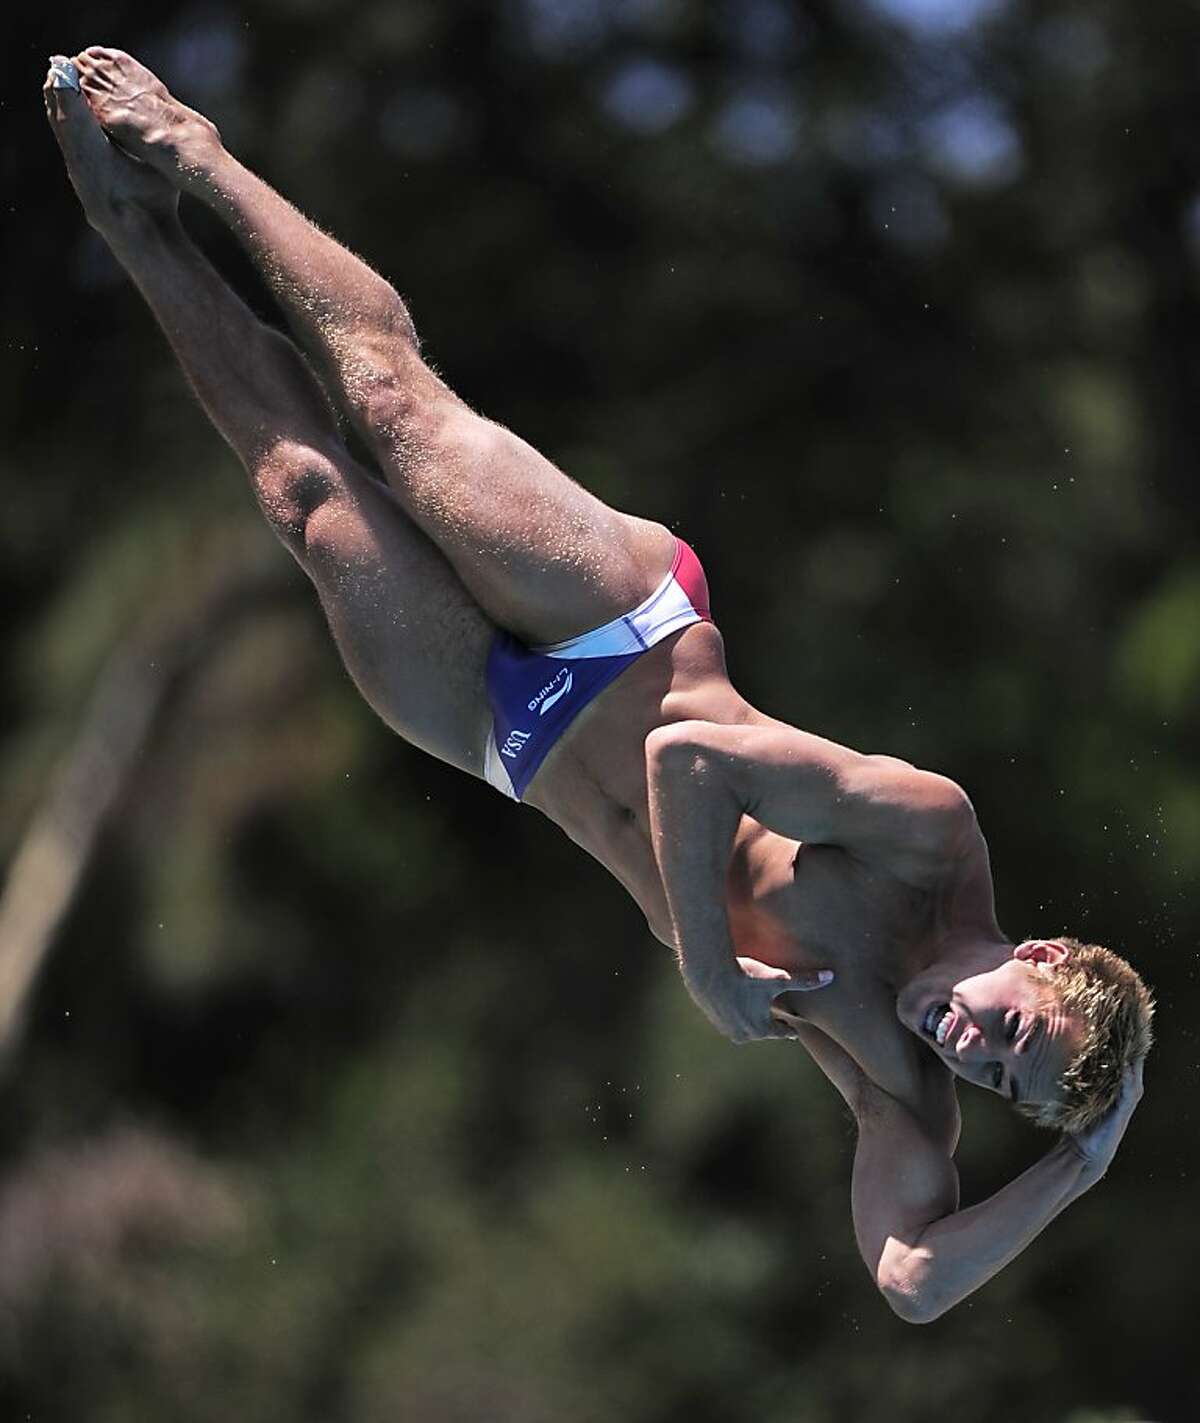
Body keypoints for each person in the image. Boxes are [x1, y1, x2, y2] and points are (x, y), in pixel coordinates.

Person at [44, 48, 1153, 1324]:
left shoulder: (905, 1088)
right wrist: (708, 969)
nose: (975, 1049)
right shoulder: (929, 835)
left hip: (512, 750)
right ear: (1040, 954)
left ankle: (133, 231)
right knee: (393, 405)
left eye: (1005, 1081)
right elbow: (688, 756)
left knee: (307, 496)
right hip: (623, 633)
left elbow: (910, 1281)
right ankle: (198, 156)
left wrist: (1076, 1168)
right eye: (1013, 1030)